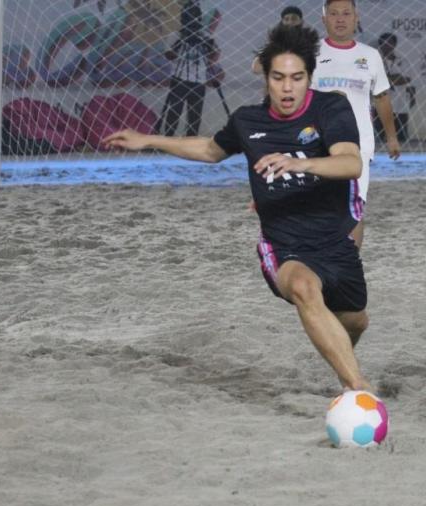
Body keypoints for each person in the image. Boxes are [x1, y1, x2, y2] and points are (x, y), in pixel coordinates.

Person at [105, 25, 373, 393]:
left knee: (355, 321)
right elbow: (209, 150)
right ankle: (358, 389)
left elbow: (350, 163)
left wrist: (300, 163)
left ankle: (342, 362)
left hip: (336, 237)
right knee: (303, 288)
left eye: (297, 78)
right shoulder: (248, 121)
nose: (287, 88)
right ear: (266, 78)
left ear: (310, 77)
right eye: (278, 78)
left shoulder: (331, 107)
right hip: (285, 242)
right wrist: (149, 139)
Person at [311, 0, 401, 249]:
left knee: (353, 206)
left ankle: (349, 263)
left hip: (359, 144)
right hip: (315, 143)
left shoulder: (370, 55)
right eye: (334, 14)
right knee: (316, 207)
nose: (340, 19)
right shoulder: (309, 52)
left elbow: (381, 97)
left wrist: (391, 137)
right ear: (324, 19)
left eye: (346, 13)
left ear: (356, 18)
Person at [158, 0, 223, 137]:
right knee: (173, 113)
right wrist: (181, 43)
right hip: (179, 79)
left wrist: (206, 44)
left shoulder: (205, 35)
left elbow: (215, 56)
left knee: (195, 116)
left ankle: (191, 141)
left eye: (195, 16)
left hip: (199, 81)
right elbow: (168, 55)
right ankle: (167, 139)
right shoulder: (176, 35)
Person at [373, 32, 415, 143]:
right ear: (380, 45)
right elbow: (373, 80)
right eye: (384, 43)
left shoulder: (403, 60)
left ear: (394, 44)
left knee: (401, 140)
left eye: (390, 42)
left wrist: (386, 78)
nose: (387, 45)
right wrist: (396, 77)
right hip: (380, 107)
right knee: (380, 140)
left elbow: (406, 79)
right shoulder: (374, 61)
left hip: (400, 106)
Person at [251, 6, 304, 75]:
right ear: (282, 22)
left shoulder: (309, 41)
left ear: (300, 21)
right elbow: (256, 69)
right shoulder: (276, 43)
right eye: (286, 19)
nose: (290, 22)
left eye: (294, 19)